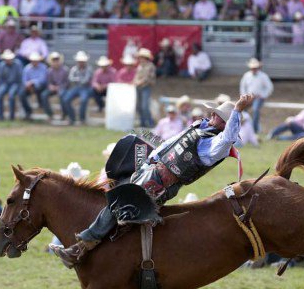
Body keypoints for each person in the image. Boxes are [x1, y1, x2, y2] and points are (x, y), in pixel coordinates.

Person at [49, 94, 254, 266]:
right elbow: (170, 145)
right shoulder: (202, 131)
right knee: (120, 205)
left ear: (226, 124)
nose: (212, 115)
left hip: (161, 183)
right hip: (151, 172)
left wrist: (237, 110)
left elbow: (228, 138)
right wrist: (150, 160)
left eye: (218, 116)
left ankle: (81, 248)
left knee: (118, 204)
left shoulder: (217, 145)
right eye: (214, 112)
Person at [238, 58, 273, 133]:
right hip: (249, 97)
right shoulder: (246, 75)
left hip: (258, 97)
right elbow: (242, 86)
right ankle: (242, 128)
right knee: (240, 109)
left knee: (255, 109)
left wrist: (263, 95)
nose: (253, 69)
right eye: (252, 68)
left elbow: (269, 87)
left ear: (258, 68)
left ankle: (254, 129)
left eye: (255, 68)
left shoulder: (263, 76)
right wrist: (245, 96)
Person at [60, 50, 92, 125]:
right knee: (66, 99)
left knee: (84, 100)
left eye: (82, 61)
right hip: (76, 87)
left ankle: (82, 119)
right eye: (79, 61)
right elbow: (70, 78)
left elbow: (86, 80)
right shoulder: (74, 68)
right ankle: (72, 118)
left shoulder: (89, 69)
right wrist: (78, 80)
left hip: (85, 88)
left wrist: (77, 79)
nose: (81, 63)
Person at [19, 52, 51, 120]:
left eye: (36, 60)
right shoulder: (27, 68)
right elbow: (24, 80)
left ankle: (41, 105)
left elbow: (43, 80)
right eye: (33, 60)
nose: (34, 62)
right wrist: (28, 84)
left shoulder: (43, 67)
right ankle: (28, 111)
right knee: (21, 94)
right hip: (29, 86)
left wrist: (32, 82)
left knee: (39, 88)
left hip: (40, 86)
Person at [0, 49, 22, 121]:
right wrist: (1, 85)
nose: (8, 60)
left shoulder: (18, 64)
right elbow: (0, 78)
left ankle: (11, 117)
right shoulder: (2, 65)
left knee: (11, 95)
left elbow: (20, 77)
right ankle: (0, 116)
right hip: (5, 83)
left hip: (15, 83)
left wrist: (19, 86)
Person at [133, 47, 157, 127]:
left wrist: (138, 82)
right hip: (138, 87)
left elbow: (147, 78)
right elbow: (136, 76)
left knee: (144, 106)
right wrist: (135, 82)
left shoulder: (150, 66)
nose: (140, 59)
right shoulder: (139, 66)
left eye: (141, 57)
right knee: (139, 106)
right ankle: (142, 123)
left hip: (146, 87)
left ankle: (150, 122)